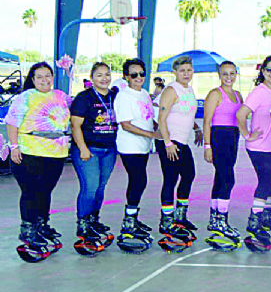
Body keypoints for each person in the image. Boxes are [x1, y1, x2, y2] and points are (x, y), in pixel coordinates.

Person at [5, 62, 71, 262]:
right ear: (32, 80)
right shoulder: (25, 97)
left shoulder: (60, 96)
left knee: (45, 191)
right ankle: (28, 229)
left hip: (56, 153)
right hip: (30, 152)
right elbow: (11, 122)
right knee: (31, 191)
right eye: (40, 77)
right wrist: (14, 146)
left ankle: (41, 224)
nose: (45, 80)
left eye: (48, 76)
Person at [69, 62, 119, 255]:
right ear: (92, 78)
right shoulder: (84, 98)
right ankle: (82, 224)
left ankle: (93, 220)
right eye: (99, 75)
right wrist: (82, 148)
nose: (104, 78)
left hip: (108, 150)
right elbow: (75, 125)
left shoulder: (115, 96)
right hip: (89, 150)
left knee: (100, 188)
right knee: (89, 188)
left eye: (107, 74)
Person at [237, 55, 271, 252]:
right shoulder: (259, 92)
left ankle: (267, 216)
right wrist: (247, 134)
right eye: (269, 70)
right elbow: (241, 114)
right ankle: (254, 220)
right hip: (259, 147)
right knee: (265, 180)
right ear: (263, 72)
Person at [155, 55, 200, 251]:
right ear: (175, 72)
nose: (186, 73)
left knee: (189, 175)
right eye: (182, 70)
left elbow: (186, 113)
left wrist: (197, 128)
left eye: (189, 70)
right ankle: (166, 220)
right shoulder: (171, 90)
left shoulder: (188, 89)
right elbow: (161, 118)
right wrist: (167, 142)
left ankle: (180, 216)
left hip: (182, 141)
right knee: (171, 179)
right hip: (170, 142)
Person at [113, 58, 158, 253]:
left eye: (141, 74)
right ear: (126, 77)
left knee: (140, 181)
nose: (138, 78)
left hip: (143, 146)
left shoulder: (144, 94)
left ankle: (133, 218)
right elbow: (126, 124)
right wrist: (152, 135)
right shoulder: (124, 96)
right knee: (138, 180)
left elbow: (150, 118)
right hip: (129, 146)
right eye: (133, 75)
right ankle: (128, 222)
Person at [201, 60, 244, 250]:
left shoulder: (238, 95)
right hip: (218, 137)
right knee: (228, 179)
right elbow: (207, 122)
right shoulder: (214, 94)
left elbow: (241, 119)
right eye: (225, 74)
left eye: (232, 73)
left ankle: (215, 218)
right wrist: (207, 145)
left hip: (232, 138)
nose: (229, 77)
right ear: (219, 75)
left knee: (220, 178)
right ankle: (222, 219)